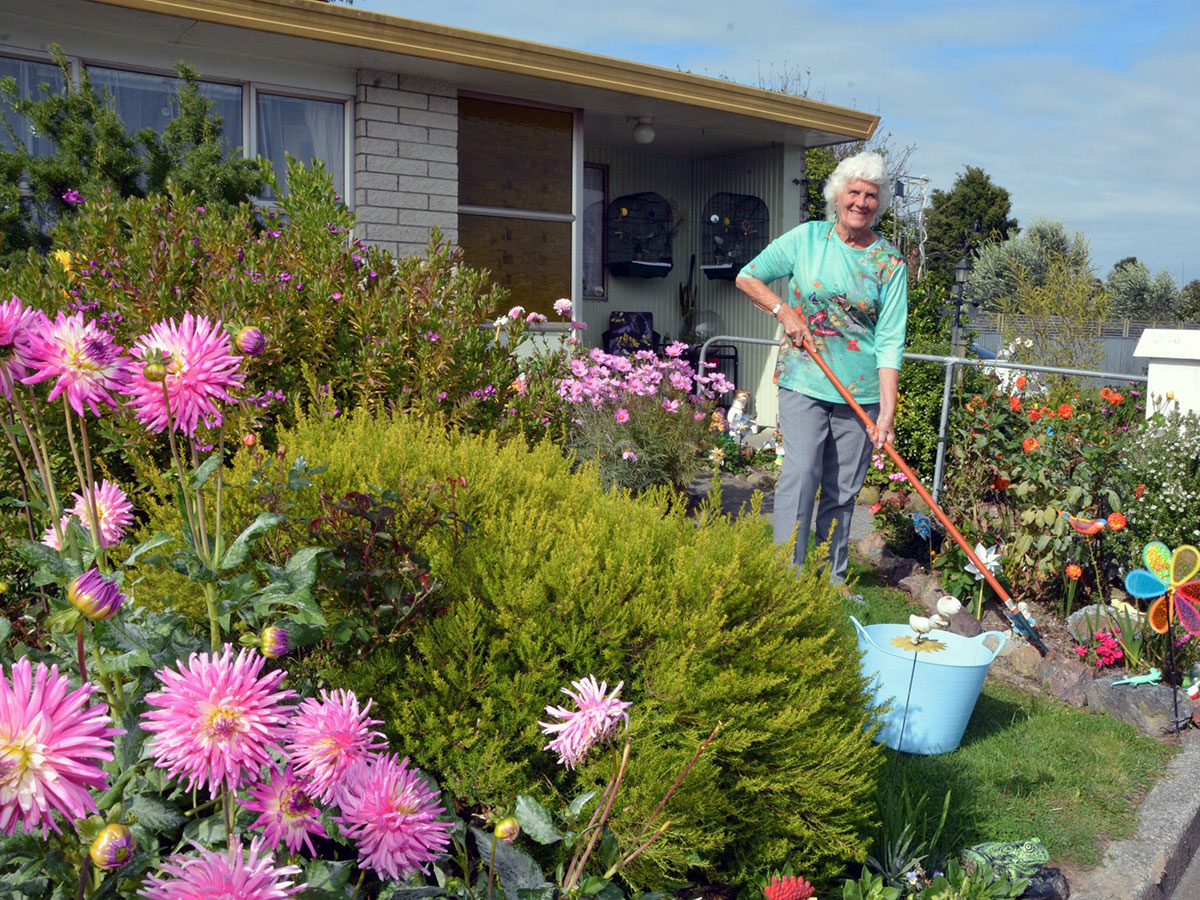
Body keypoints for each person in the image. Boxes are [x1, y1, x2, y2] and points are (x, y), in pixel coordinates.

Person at [735, 151, 907, 584]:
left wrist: (886, 412)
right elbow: (747, 277)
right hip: (804, 379)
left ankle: (832, 580)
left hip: (861, 392)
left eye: (871, 196)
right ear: (837, 195)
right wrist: (784, 312)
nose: (861, 202)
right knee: (801, 473)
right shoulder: (807, 240)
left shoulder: (890, 263)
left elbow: (889, 342)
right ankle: (785, 579)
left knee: (843, 489)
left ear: (878, 203)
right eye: (854, 192)